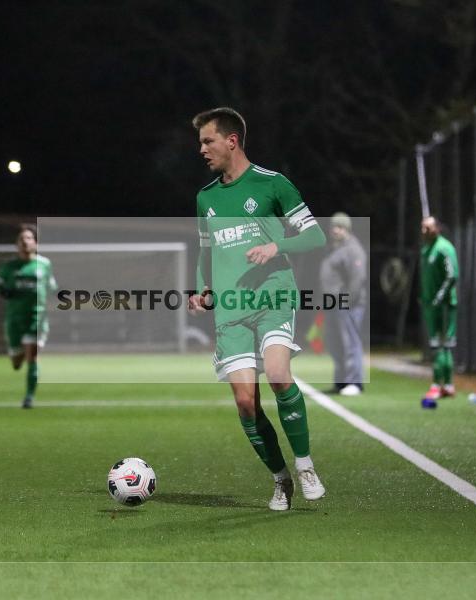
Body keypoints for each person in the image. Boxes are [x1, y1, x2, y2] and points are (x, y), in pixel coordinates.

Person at [187, 107, 327, 511]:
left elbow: (315, 237)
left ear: (232, 141)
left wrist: (276, 245)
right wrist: (203, 290)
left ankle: (305, 466)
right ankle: (281, 479)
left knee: (279, 374)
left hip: (272, 297)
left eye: (207, 141)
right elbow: (205, 251)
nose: (202, 149)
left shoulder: (273, 185)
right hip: (230, 310)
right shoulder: (206, 198)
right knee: (246, 402)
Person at [0, 224, 57, 409]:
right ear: (16, 244)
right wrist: (3, 291)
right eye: (21, 239)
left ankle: (29, 397)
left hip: (36, 318)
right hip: (14, 320)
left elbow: (52, 287)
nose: (25, 242)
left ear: (35, 243)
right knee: (16, 362)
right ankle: (16, 355)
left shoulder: (44, 264)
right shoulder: (9, 267)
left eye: (29, 238)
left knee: (32, 357)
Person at [319, 212, 367, 396]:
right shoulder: (333, 248)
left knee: (350, 342)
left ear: (347, 229)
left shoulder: (353, 249)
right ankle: (341, 381)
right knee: (335, 343)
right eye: (333, 227)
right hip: (333, 304)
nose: (335, 230)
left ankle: (355, 382)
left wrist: (348, 300)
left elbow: (358, 278)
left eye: (339, 227)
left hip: (349, 305)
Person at [419, 216, 458, 399]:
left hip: (443, 305)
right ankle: (446, 385)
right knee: (437, 344)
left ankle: (439, 384)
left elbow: (452, 276)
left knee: (443, 345)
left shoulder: (444, 248)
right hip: (429, 304)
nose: (424, 231)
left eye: (427, 228)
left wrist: (440, 297)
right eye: (422, 228)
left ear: (437, 228)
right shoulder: (426, 249)